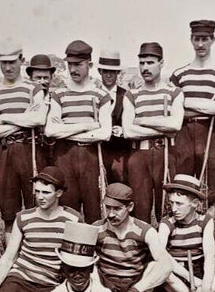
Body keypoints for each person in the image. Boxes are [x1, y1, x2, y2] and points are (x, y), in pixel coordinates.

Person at [0, 42, 49, 226]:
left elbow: (39, 119)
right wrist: (23, 120)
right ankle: (12, 245)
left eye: (12, 62)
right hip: (3, 154)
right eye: (4, 62)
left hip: (30, 149)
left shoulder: (34, 88)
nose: (8, 67)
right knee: (9, 216)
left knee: (37, 210)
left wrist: (3, 118)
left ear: (21, 60)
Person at [44, 40, 112, 221]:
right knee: (67, 209)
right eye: (70, 65)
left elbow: (105, 133)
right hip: (64, 156)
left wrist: (65, 129)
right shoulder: (59, 94)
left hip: (91, 156)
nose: (73, 69)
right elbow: (50, 131)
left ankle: (95, 240)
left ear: (89, 65)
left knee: (94, 210)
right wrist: (88, 126)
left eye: (78, 65)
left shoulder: (101, 95)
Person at [169, 19, 215, 211]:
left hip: (210, 131)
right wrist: (208, 106)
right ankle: (184, 221)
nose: (201, 44)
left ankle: (208, 223)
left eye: (205, 39)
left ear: (213, 40)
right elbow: (174, 109)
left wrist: (185, 102)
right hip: (185, 131)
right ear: (191, 40)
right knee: (183, 181)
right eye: (197, 39)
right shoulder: (179, 74)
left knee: (210, 181)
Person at [122, 42, 184, 223]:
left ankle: (166, 239)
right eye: (141, 63)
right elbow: (128, 131)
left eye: (150, 63)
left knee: (167, 207)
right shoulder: (132, 95)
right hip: (139, 156)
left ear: (161, 63)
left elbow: (175, 125)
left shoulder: (174, 93)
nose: (145, 68)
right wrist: (162, 128)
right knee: (140, 209)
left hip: (166, 154)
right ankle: (142, 240)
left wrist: (141, 120)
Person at [94, 183, 174, 292]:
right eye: (108, 208)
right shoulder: (97, 228)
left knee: (154, 266)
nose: (111, 214)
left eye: (117, 209)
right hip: (106, 286)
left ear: (130, 207)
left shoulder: (145, 230)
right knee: (89, 266)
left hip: (135, 286)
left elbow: (166, 265)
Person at [158, 173, 215, 292]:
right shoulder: (167, 222)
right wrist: (190, 278)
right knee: (161, 270)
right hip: (177, 271)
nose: (174, 209)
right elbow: (161, 254)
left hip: (199, 269)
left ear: (194, 203)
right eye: (171, 203)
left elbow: (209, 255)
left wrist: (206, 284)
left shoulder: (205, 221)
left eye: (179, 204)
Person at [98, 51, 129, 186]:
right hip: (98, 149)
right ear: (100, 71)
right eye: (105, 71)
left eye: (112, 71)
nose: (109, 75)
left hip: (119, 151)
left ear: (118, 73)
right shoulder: (94, 93)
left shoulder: (126, 95)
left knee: (119, 183)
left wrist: (122, 129)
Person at [26, 54, 57, 169]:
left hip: (55, 151)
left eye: (46, 77)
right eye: (38, 78)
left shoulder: (57, 98)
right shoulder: (26, 99)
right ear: (30, 78)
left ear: (51, 78)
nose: (42, 81)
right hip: (32, 150)